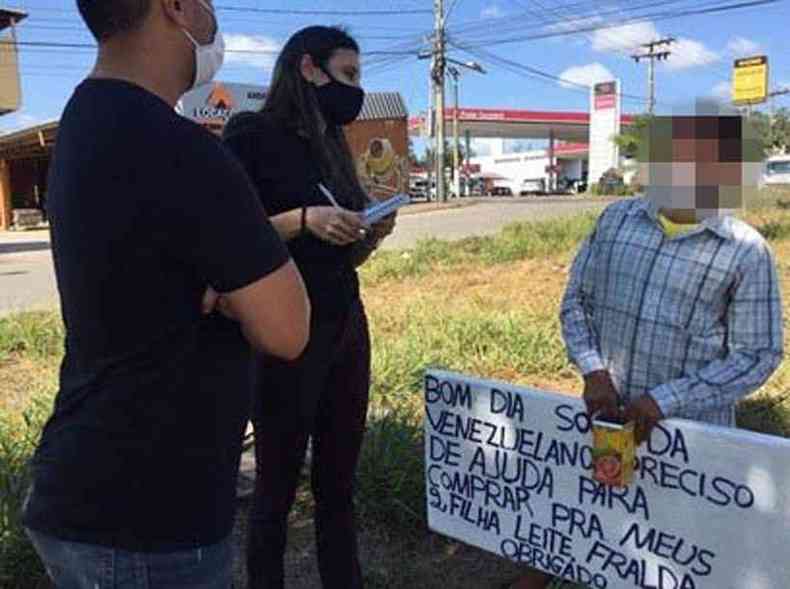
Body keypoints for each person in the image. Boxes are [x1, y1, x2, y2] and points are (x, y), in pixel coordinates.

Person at [22, 1, 310, 588]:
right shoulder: (181, 148)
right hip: (147, 520)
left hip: (89, 484)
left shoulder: (85, 117)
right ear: (175, 6)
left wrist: (229, 289)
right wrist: (238, 290)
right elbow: (288, 327)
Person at [505, 108, 784, 589]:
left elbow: (757, 354)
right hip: (605, 416)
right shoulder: (616, 221)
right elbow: (577, 302)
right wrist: (593, 371)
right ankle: (540, 573)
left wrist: (664, 402)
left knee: (677, 548)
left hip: (690, 438)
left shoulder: (744, 250)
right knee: (583, 508)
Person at [222, 26, 396, 589]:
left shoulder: (332, 147)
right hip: (285, 328)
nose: (355, 90)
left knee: (338, 484)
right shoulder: (251, 134)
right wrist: (303, 219)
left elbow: (341, 257)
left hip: (345, 322)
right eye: (347, 74)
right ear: (307, 68)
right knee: (275, 484)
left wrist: (370, 232)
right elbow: (228, 238)